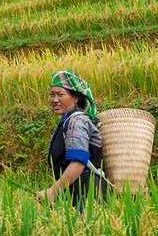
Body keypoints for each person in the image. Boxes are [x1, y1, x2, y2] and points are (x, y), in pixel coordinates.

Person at [34, 70, 107, 210]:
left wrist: (52, 192)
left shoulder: (77, 121)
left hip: (88, 192)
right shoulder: (68, 120)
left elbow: (78, 162)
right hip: (78, 191)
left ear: (75, 98)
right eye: (52, 94)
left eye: (60, 94)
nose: (55, 99)